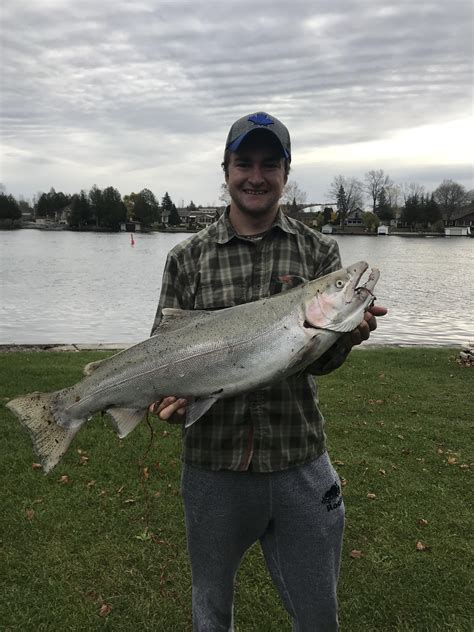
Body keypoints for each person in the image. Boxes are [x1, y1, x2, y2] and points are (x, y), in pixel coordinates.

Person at [150, 111, 387, 631]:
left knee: (319, 614)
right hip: (212, 465)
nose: (255, 176)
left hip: (298, 458)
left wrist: (346, 336)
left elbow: (320, 364)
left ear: (286, 172)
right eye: (244, 163)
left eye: (268, 165)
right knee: (210, 611)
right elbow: (161, 350)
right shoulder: (185, 258)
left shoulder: (319, 251)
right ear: (226, 169)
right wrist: (165, 402)